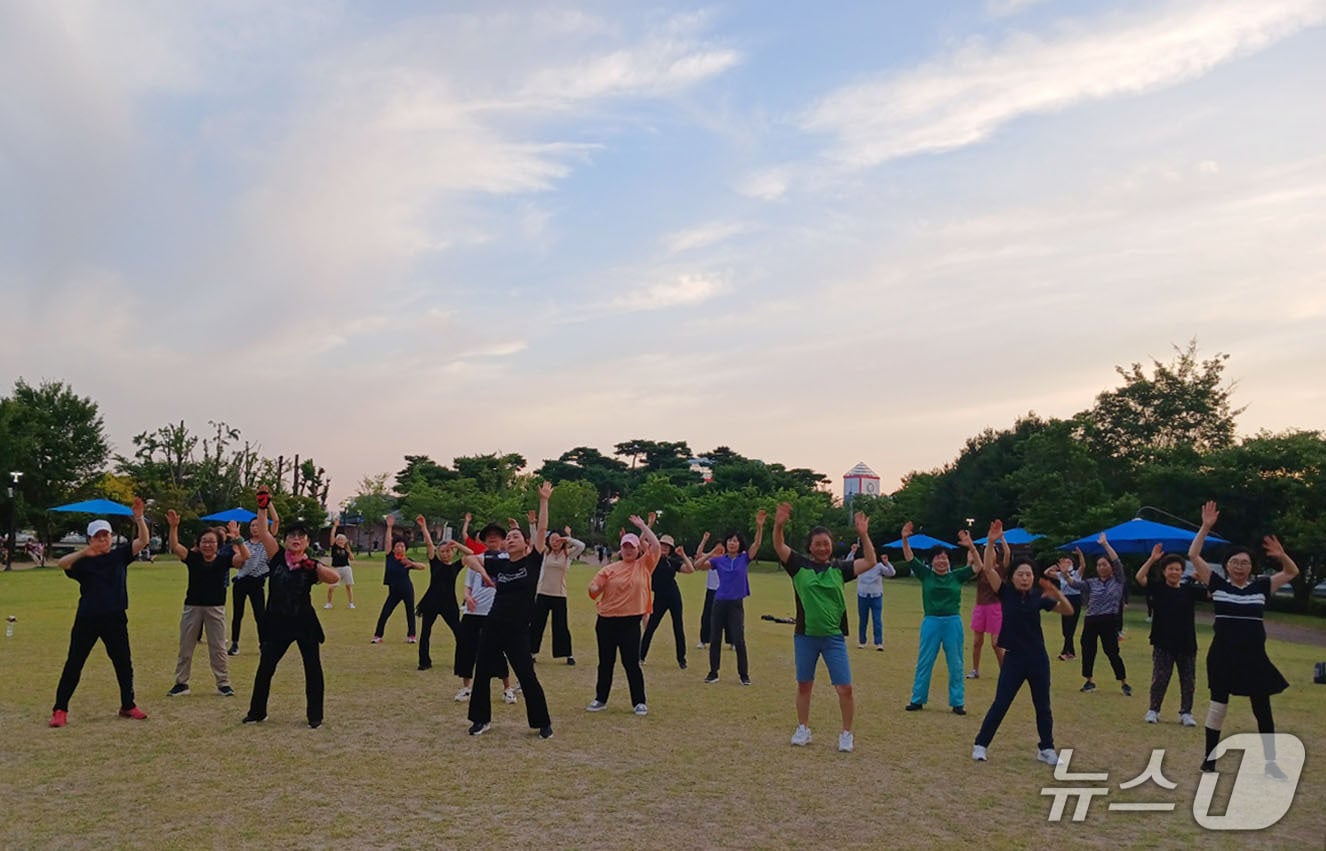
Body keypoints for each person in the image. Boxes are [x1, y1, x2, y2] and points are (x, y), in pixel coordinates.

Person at [1189, 501, 1297, 777]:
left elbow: (1292, 572)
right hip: (1223, 655)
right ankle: (1209, 760)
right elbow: (1194, 554)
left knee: (1262, 707)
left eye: (1245, 562)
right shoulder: (1217, 584)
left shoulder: (1262, 585)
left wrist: (1282, 555)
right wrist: (1205, 527)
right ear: (1226, 565)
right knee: (1218, 706)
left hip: (1254, 657)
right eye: (1235, 562)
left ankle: (1270, 763)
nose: (1240, 566)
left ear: (1251, 567)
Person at [773, 502, 878, 752]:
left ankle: (846, 734)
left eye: (826, 543)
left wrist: (863, 534)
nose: (822, 547)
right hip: (805, 636)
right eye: (817, 543)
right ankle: (803, 728)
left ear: (831, 546)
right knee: (804, 684)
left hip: (833, 638)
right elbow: (779, 546)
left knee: (845, 688)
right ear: (810, 547)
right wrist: (778, 525)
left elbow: (871, 561)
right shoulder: (798, 566)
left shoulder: (839, 569)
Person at [972, 521, 1075, 765]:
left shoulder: (1039, 597)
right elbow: (988, 569)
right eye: (1021, 574)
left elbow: (1068, 611)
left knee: (1043, 705)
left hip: (1038, 658)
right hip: (1014, 658)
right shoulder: (1005, 591)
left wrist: (1056, 592)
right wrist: (990, 542)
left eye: (1029, 574)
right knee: (1001, 703)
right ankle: (981, 744)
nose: (1025, 578)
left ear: (1033, 577)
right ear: (1014, 577)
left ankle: (1046, 749)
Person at [457, 482, 554, 738]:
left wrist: (544, 501)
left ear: (526, 544)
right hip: (493, 625)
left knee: (527, 675)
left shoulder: (532, 563)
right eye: (508, 538)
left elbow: (542, 529)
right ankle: (481, 720)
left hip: (518, 630)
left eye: (515, 537)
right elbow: (468, 559)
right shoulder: (499, 563)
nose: (510, 540)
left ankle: (542, 723)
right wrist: (485, 575)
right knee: (482, 673)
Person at [243, 490, 341, 728]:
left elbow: (334, 578)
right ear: (286, 540)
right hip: (277, 622)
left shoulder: (310, 564)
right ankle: (257, 712)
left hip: (304, 622)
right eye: (292, 536)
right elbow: (265, 532)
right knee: (266, 666)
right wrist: (263, 506)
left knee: (313, 669)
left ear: (307, 542)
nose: (296, 539)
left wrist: (311, 565)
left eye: (301, 537)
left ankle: (315, 716)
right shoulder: (276, 556)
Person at [49, 500, 151, 727]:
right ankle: (60, 709)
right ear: (90, 538)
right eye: (97, 536)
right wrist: (86, 552)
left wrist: (139, 518)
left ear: (112, 537)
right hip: (87, 618)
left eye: (106, 536)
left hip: (115, 618)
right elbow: (62, 564)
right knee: (74, 663)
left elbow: (143, 541)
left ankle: (128, 705)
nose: (102, 540)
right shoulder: (82, 562)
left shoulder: (119, 555)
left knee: (123, 663)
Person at [901, 523, 984, 714]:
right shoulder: (926, 575)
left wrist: (971, 546)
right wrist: (905, 538)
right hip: (931, 622)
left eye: (945, 558)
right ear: (932, 561)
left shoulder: (956, 576)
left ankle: (957, 702)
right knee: (925, 661)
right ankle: (917, 699)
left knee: (956, 663)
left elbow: (978, 567)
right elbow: (909, 558)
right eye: (938, 558)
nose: (942, 561)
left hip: (953, 622)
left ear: (949, 561)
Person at [165, 511, 248, 698]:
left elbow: (244, 559)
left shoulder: (224, 560)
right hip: (192, 607)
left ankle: (223, 683)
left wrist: (237, 539)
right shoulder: (192, 558)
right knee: (186, 647)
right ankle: (181, 683)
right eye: (204, 541)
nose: (208, 545)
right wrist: (173, 527)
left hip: (216, 608)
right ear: (198, 544)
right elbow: (175, 546)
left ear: (218, 545)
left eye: (212, 541)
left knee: (218, 648)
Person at [586, 515, 662, 714]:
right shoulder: (609, 569)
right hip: (606, 621)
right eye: (625, 547)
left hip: (630, 622)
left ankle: (639, 701)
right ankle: (600, 698)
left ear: (638, 550)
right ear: (621, 549)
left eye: (632, 547)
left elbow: (656, 546)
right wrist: (594, 587)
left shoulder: (644, 565)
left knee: (631, 663)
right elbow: (595, 588)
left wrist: (643, 526)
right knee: (606, 662)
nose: (628, 550)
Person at [1135, 544, 1205, 726]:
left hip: (1187, 642)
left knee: (1188, 680)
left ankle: (1186, 713)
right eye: (1171, 569)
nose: (1174, 572)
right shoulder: (1157, 588)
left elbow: (1212, 593)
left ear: (1182, 571)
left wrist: (1202, 578)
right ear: (1164, 571)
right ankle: (1153, 710)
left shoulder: (1189, 589)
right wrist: (1152, 559)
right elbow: (1140, 577)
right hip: (1162, 641)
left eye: (1178, 569)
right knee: (1160, 677)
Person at [693, 512, 767, 685]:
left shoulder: (744, 558)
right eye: (729, 540)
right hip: (719, 602)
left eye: (735, 540)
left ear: (739, 544)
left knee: (739, 639)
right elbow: (697, 566)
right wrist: (711, 552)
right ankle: (713, 672)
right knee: (715, 637)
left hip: (735, 604)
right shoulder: (719, 560)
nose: (731, 543)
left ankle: (744, 675)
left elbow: (757, 543)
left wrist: (759, 526)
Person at [1063, 536, 1133, 696]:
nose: (1101, 567)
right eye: (1099, 565)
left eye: (1104, 564)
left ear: (1111, 567)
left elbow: (1117, 561)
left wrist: (1105, 544)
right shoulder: (1092, 582)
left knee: (1112, 651)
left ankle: (1124, 682)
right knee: (1088, 648)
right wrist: (1066, 574)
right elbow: (1074, 584)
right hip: (1091, 619)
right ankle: (1089, 680)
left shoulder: (1118, 580)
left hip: (1109, 619)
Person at [530, 523, 586, 666]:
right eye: (552, 539)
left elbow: (581, 546)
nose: (555, 542)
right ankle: (531, 652)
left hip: (559, 595)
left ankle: (568, 654)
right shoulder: (544, 553)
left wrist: (567, 539)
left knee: (561, 626)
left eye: (558, 539)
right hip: (542, 593)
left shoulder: (568, 554)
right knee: (536, 624)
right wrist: (532, 525)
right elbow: (536, 540)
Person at [639, 533, 695, 669]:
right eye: (662, 545)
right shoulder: (652, 557)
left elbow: (690, 569)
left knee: (678, 626)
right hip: (660, 597)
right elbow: (641, 541)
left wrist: (683, 555)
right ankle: (641, 656)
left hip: (674, 596)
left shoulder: (673, 561)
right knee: (651, 626)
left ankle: (681, 659)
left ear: (670, 549)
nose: (664, 548)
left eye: (667, 546)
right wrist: (649, 525)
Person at [415, 515, 462, 671]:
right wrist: (423, 527)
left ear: (453, 552)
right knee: (425, 633)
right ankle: (424, 662)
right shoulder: (434, 563)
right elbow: (429, 544)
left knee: (459, 633)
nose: (445, 554)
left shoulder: (456, 566)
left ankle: (462, 660)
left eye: (448, 551)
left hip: (449, 604)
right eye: (442, 551)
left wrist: (458, 545)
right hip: (431, 603)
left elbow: (471, 554)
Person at [231, 507, 278, 656]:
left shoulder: (268, 543)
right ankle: (235, 644)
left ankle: (263, 643)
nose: (255, 528)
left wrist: (267, 504)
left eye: (258, 525)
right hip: (241, 581)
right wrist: (236, 541)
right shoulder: (243, 543)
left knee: (260, 614)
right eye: (252, 525)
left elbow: (276, 521)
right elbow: (238, 559)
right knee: (238, 614)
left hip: (257, 582)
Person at [372, 515, 424, 644]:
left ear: (405, 549)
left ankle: (411, 635)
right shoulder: (390, 557)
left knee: (409, 613)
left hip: (407, 589)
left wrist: (412, 564)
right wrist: (389, 527)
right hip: (393, 591)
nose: (400, 548)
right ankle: (378, 636)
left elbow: (423, 567)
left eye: (402, 546)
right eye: (398, 546)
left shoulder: (407, 560)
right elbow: (388, 542)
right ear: (394, 548)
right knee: (385, 613)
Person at [968, 531, 1010, 679]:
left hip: (995, 607)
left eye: (991, 551)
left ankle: (1004, 672)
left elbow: (1007, 554)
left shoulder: (1000, 569)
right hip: (980, 606)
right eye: (986, 551)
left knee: (996, 643)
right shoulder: (981, 570)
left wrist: (1001, 538)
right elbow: (969, 572)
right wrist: (969, 559)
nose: (988, 553)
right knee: (977, 642)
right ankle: (975, 670)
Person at [855, 551, 895, 650]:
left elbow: (892, 573)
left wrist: (887, 563)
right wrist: (853, 552)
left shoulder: (879, 566)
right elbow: (847, 564)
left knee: (877, 620)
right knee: (863, 619)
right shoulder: (860, 565)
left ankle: (879, 642)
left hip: (876, 596)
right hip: (862, 595)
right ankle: (862, 641)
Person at [1056, 555, 1083, 661]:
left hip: (1075, 600)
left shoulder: (1077, 573)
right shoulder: (1061, 575)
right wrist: (1056, 568)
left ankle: (1067, 652)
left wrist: (1080, 555)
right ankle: (1070, 652)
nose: (1066, 564)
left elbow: (1083, 565)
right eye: (1065, 562)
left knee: (1070, 628)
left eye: (1068, 562)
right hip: (1064, 600)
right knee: (1065, 628)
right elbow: (1046, 573)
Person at [325, 517, 356, 609]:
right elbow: (331, 536)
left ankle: (351, 603)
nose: (340, 541)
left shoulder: (346, 548)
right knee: (331, 587)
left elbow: (352, 558)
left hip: (346, 568)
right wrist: (335, 526)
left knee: (348, 586)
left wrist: (349, 550)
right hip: (335, 569)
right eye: (339, 539)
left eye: (342, 539)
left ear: (345, 541)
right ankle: (329, 603)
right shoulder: (334, 547)